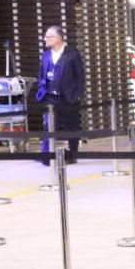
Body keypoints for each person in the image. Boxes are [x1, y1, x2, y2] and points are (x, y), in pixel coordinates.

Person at [35, 24, 85, 164]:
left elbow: (80, 76)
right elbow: (41, 74)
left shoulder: (72, 54)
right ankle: (46, 156)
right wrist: (41, 89)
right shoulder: (45, 55)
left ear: (58, 38)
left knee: (71, 126)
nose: (45, 39)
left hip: (68, 97)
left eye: (48, 37)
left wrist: (78, 95)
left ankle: (73, 154)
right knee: (49, 126)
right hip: (50, 97)